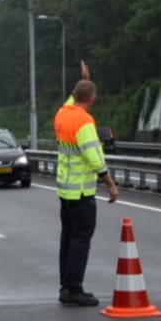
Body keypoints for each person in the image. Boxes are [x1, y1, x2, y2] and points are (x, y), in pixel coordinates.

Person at [54, 78, 121, 306]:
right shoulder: (84, 122)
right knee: (80, 241)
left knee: (68, 239)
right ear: (92, 99)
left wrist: (85, 79)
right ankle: (74, 289)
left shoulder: (62, 114)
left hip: (65, 191)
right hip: (81, 192)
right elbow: (95, 158)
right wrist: (110, 183)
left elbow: (72, 99)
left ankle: (66, 286)